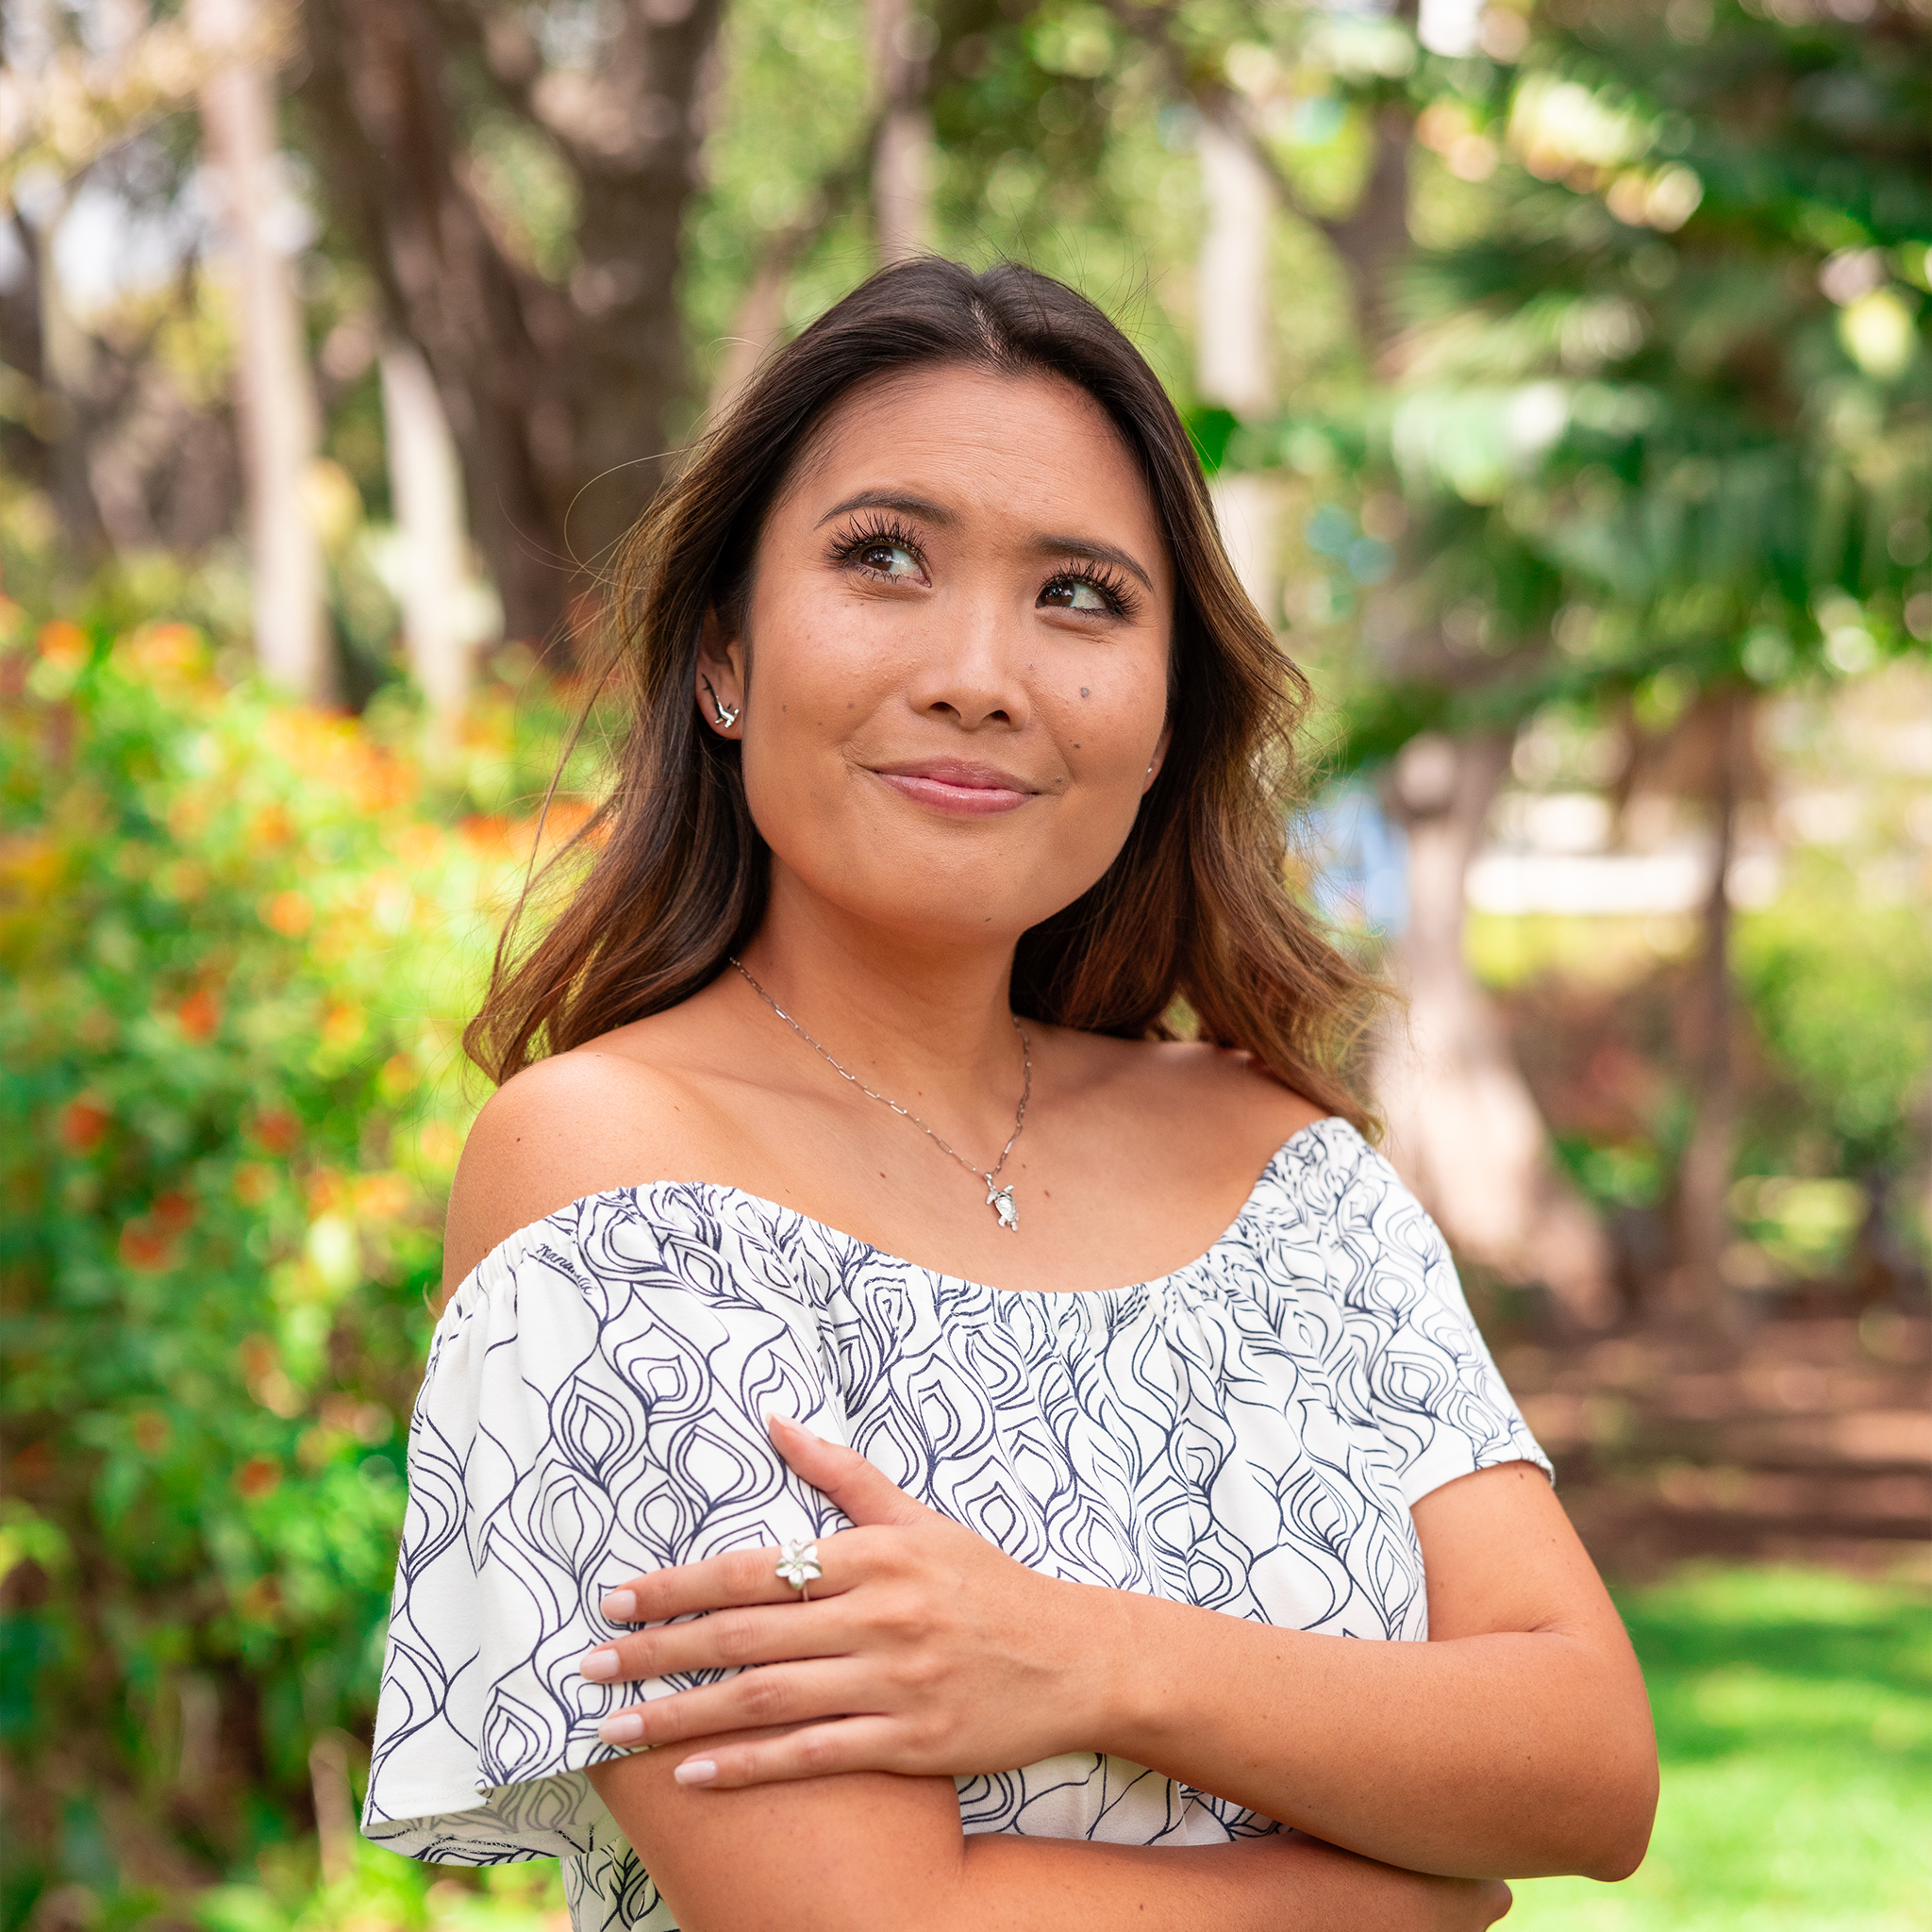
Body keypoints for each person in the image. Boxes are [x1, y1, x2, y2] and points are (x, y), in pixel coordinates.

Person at [359, 258, 1657, 1932]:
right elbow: (869, 1924)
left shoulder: (1293, 1176)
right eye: (882, 558)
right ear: (721, 662)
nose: (982, 670)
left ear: (1168, 705)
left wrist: (1081, 1659)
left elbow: (1589, 1761)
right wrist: (1410, 1895)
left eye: (1082, 597)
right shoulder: (616, 1175)